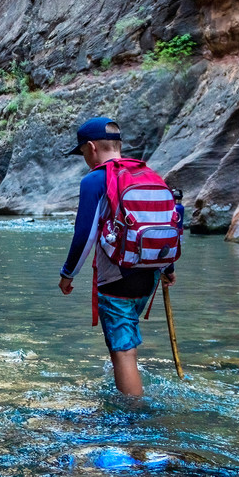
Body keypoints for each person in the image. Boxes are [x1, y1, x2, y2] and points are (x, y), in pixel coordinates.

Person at [57, 117, 179, 397]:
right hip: (149, 275)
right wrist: (168, 267)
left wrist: (68, 274)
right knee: (125, 345)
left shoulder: (95, 180)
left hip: (116, 280)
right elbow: (165, 222)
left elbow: (85, 234)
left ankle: (133, 421)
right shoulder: (149, 174)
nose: (85, 159)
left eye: (83, 153)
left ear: (91, 147)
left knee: (123, 353)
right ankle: (127, 399)